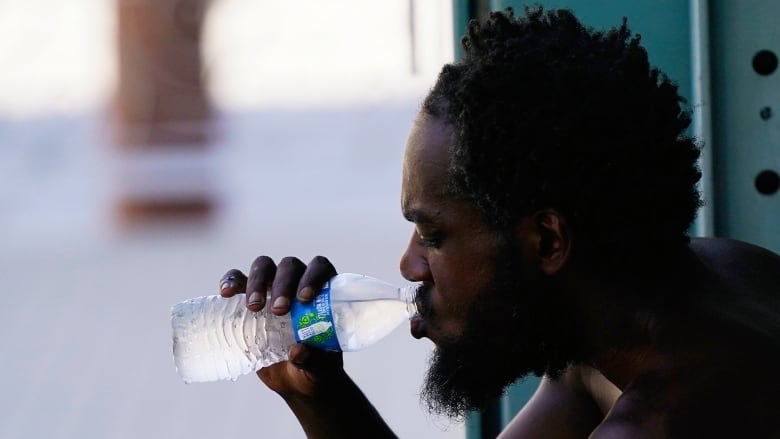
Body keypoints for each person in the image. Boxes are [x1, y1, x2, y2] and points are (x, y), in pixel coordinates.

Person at [218, 6, 780, 438]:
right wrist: (319, 394)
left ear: (547, 240)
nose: (410, 264)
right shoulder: (720, 276)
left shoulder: (662, 423)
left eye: (433, 235)